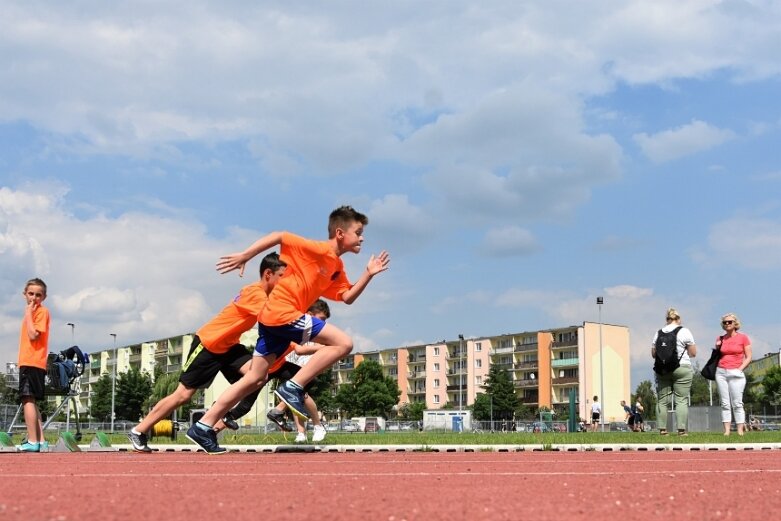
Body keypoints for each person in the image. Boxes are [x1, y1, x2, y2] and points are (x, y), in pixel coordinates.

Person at [187, 206, 390, 454]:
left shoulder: (336, 267)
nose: (362, 238)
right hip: (282, 313)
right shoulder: (316, 249)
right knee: (343, 343)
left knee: (255, 378)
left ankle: (204, 425)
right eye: (358, 232)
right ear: (340, 233)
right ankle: (293, 387)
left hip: (273, 321)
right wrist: (245, 256)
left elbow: (346, 296)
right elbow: (280, 236)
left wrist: (368, 274)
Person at [127, 252, 286, 453]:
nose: (285, 282)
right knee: (183, 395)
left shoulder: (265, 295)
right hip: (209, 344)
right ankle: (139, 430)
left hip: (228, 347)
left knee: (258, 375)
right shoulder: (256, 293)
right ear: (268, 274)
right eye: (282, 277)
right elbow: (275, 317)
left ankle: (222, 413)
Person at [222, 299, 331, 444]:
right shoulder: (293, 326)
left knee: (307, 382)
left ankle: (282, 413)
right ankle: (215, 423)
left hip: (280, 366)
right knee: (244, 406)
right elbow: (300, 350)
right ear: (309, 314)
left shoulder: (305, 329)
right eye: (322, 319)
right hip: (263, 368)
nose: (323, 324)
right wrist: (332, 348)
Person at [16, 278, 50, 452]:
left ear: (43, 297)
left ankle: (32, 440)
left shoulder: (40, 312)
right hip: (32, 361)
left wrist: (28, 313)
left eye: (38, 295)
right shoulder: (36, 312)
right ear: (25, 294)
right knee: (32, 400)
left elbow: (33, 335)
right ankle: (41, 441)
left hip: (32, 361)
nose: (34, 298)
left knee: (27, 398)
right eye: (31, 294)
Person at [652, 308, 697, 436]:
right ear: (678, 319)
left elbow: (653, 354)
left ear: (667, 320)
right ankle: (681, 431)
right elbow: (693, 353)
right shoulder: (685, 331)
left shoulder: (658, 333)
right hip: (682, 367)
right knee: (681, 400)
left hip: (663, 370)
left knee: (662, 400)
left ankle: (662, 430)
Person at [714, 312, 752, 437]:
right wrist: (717, 348)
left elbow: (749, 357)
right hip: (721, 372)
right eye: (725, 322)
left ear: (735, 323)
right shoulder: (720, 338)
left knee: (737, 403)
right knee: (725, 403)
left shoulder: (743, 338)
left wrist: (740, 369)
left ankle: (740, 430)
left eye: (729, 322)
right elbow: (716, 357)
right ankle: (727, 431)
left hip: (736, 372)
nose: (727, 324)